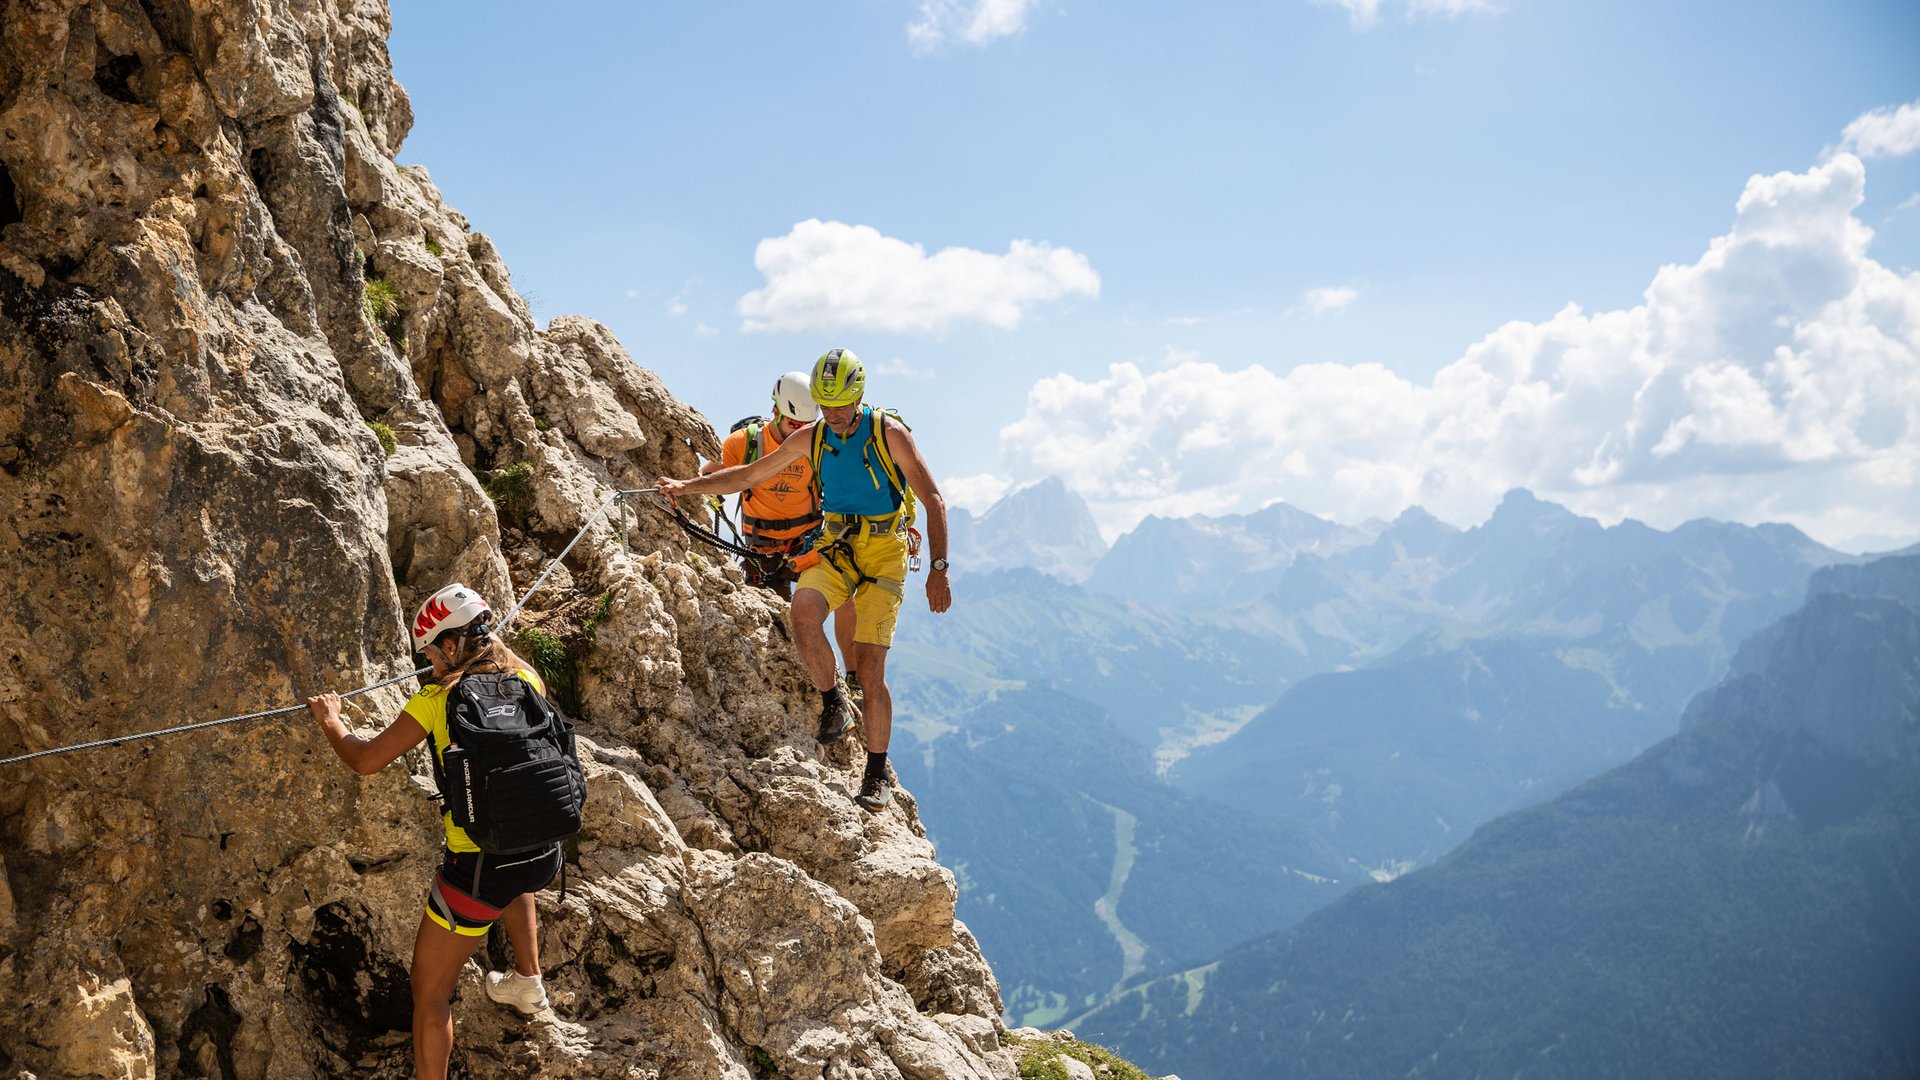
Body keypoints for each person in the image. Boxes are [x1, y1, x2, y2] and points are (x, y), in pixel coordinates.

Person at [657, 348, 951, 811]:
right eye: (825, 404)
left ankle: (875, 775)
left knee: (872, 671)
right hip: (836, 544)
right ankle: (833, 700)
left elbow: (932, 498)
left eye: (840, 404)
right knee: (803, 614)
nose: (832, 414)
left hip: (884, 552)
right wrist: (684, 488)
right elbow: (749, 475)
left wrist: (938, 570)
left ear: (858, 396)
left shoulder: (887, 434)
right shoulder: (813, 437)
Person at [306, 584, 559, 1080]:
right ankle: (529, 979)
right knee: (513, 844)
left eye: (429, 653)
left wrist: (332, 721)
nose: (428, 664)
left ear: (448, 644)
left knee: (430, 993)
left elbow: (364, 760)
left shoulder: (437, 699)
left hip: (477, 872)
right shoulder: (528, 678)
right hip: (542, 852)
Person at [700, 371, 859, 690]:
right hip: (762, 549)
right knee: (775, 619)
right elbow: (718, 476)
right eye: (793, 425)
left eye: (805, 427)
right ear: (775, 411)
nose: (798, 434)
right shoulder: (744, 444)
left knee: (845, 595)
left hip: (807, 541)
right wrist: (693, 483)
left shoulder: (818, 445)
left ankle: (853, 674)